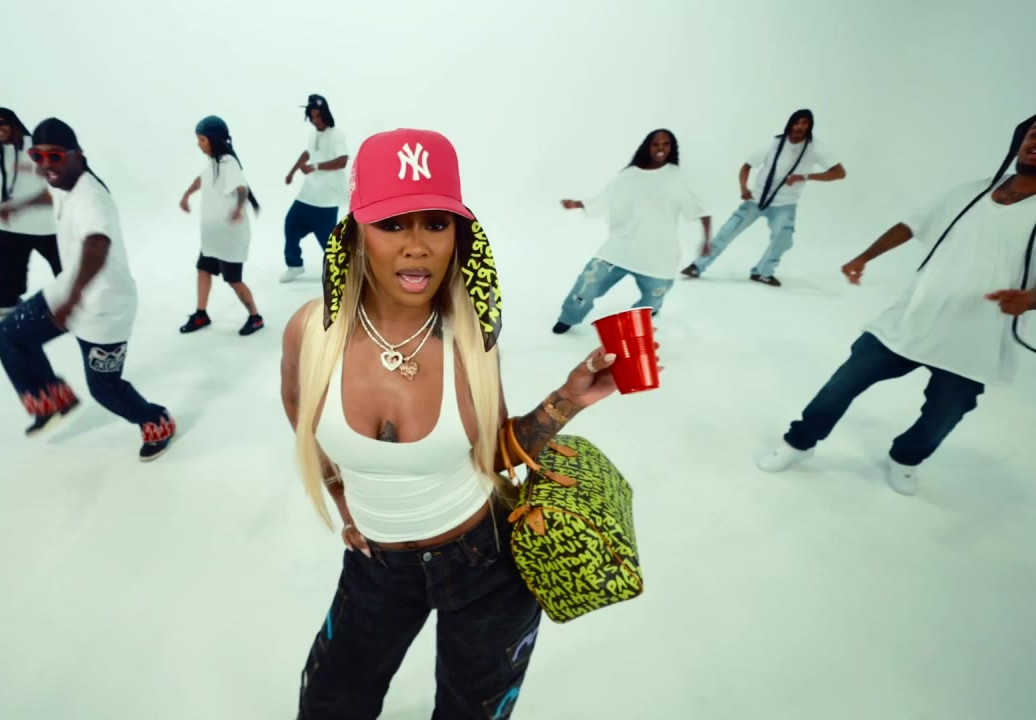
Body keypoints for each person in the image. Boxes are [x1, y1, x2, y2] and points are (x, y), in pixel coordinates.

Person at [280, 128, 630, 719]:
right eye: (392, 224)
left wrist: (567, 400)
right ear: (356, 234)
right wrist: (342, 500)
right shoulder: (311, 332)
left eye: (436, 224)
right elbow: (299, 411)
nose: (417, 246)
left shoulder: (472, 335)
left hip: (485, 561)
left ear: (458, 236)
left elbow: (493, 455)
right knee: (328, 705)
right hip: (375, 567)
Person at [757, 114, 1036, 495]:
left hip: (975, 340)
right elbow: (912, 224)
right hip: (913, 319)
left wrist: (1030, 298)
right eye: (1034, 134)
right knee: (843, 383)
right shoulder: (971, 192)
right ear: (1020, 139)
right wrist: (864, 256)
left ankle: (905, 460)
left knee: (943, 416)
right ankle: (798, 443)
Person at [0, 118, 176, 462]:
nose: (45, 165)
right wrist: (20, 206)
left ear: (77, 155)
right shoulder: (64, 181)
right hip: (69, 290)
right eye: (37, 156)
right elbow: (52, 196)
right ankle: (52, 401)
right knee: (8, 335)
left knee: (104, 389)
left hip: (106, 307)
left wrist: (72, 301)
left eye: (55, 156)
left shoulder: (92, 199)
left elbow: (96, 246)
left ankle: (156, 420)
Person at [552, 128, 711, 334]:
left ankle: (638, 319)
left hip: (658, 256)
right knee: (586, 285)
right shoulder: (628, 175)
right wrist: (578, 204)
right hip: (620, 249)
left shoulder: (676, 176)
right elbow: (605, 198)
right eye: (656, 144)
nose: (661, 148)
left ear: (672, 148)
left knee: (652, 302)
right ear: (647, 147)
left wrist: (707, 240)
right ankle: (569, 318)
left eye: (666, 144)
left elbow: (700, 209)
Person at [680, 109, 847, 286]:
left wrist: (805, 176)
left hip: (785, 203)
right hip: (757, 199)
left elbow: (839, 173)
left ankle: (762, 272)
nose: (799, 127)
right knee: (727, 231)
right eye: (796, 122)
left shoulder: (816, 148)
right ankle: (697, 266)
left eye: (804, 123)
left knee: (783, 239)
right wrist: (744, 188)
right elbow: (747, 166)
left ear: (810, 126)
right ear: (790, 124)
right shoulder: (775, 144)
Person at [178, 115, 265, 336]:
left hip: (229, 238)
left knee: (234, 280)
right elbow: (202, 179)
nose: (198, 144)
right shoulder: (212, 163)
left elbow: (242, 189)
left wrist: (238, 208)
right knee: (203, 269)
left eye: (201, 139)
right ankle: (201, 314)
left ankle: (255, 317)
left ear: (213, 139)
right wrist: (187, 194)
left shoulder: (228, 163)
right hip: (213, 237)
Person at [0, 107, 62, 318]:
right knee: (2, 256)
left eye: (2, 122)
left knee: (65, 265)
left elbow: (54, 179)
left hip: (44, 222)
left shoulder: (34, 147)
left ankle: (81, 303)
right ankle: (7, 302)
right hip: (11, 222)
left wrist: (21, 202)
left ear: (13, 123)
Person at [280, 94, 350, 283]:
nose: (315, 120)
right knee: (291, 224)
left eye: (319, 116)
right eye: (312, 117)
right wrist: (292, 171)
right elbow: (308, 153)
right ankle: (294, 265)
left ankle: (341, 272)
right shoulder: (313, 135)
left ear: (326, 114)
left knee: (328, 241)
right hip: (308, 193)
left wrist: (316, 166)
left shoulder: (337, 135)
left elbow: (343, 161)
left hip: (327, 198)